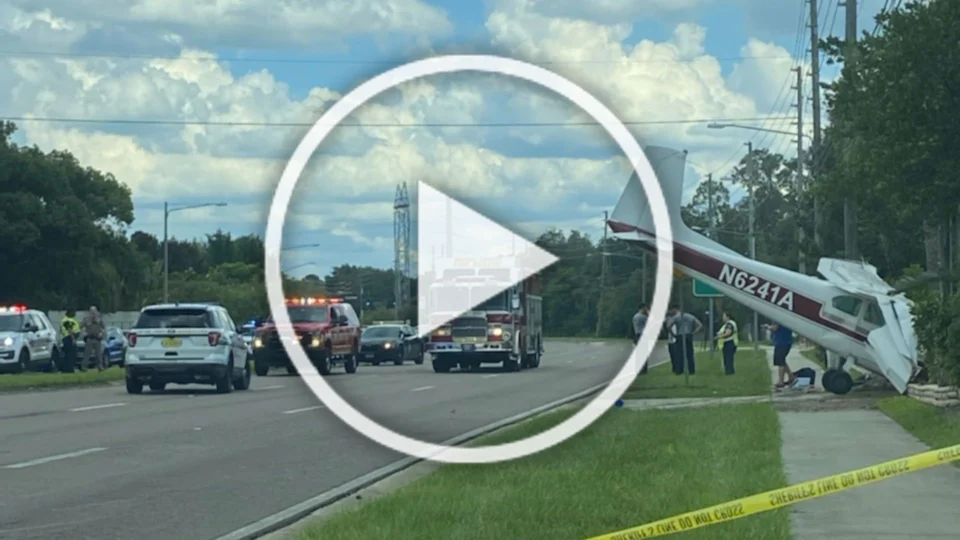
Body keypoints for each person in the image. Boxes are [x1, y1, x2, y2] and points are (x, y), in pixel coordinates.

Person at [667, 305, 702, 375]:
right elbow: (700, 325)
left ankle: (679, 370)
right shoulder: (690, 316)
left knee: (679, 354)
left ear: (675, 309)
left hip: (680, 335)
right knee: (690, 354)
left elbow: (668, 326)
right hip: (688, 335)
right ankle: (691, 370)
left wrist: (673, 334)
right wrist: (693, 332)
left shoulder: (676, 317)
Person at [766, 321, 796, 389]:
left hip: (781, 342)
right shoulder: (786, 318)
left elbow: (775, 328)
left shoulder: (777, 318)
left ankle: (781, 381)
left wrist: (768, 327)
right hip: (787, 341)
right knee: (782, 360)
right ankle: (791, 376)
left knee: (780, 363)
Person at [81, 305, 106, 372]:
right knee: (87, 354)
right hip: (89, 338)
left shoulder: (99, 319)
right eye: (91, 311)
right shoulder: (86, 319)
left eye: (94, 311)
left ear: (96, 311)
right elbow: (81, 326)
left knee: (98, 354)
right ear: (89, 312)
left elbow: (103, 328)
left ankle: (100, 367)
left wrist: (101, 333)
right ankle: (84, 367)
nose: (93, 312)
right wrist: (84, 332)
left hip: (97, 339)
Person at [632, 304, 650, 374]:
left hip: (637, 334)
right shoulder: (642, 317)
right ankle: (643, 369)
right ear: (642, 308)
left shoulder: (635, 316)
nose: (646, 309)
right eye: (645, 308)